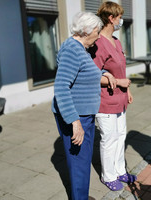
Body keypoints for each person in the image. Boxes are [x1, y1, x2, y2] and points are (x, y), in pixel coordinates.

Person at [52, 12, 103, 200]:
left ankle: (80, 196)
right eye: (97, 31)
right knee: (79, 164)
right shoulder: (72, 50)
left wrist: (104, 73)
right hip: (76, 116)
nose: (98, 36)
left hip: (85, 115)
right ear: (87, 30)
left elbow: (84, 73)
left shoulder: (81, 49)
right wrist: (75, 122)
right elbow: (61, 87)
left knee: (82, 161)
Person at [89, 1, 136, 191]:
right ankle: (107, 176)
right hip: (105, 101)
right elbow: (92, 75)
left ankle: (120, 171)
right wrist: (119, 82)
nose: (121, 20)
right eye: (119, 17)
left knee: (120, 136)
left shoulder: (116, 41)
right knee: (109, 138)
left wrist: (128, 90)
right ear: (111, 18)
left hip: (121, 99)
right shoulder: (98, 43)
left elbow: (120, 69)